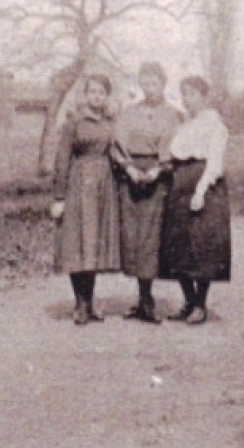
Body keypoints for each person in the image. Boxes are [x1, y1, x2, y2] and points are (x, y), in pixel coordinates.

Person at [109, 62, 181, 324]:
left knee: (151, 237)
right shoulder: (129, 113)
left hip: (157, 177)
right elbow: (116, 144)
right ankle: (141, 297)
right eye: (145, 83)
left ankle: (149, 301)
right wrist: (128, 168)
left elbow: (176, 147)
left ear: (163, 83)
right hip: (131, 177)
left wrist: (159, 169)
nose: (149, 89)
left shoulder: (173, 114)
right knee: (133, 236)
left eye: (154, 83)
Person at [158, 75, 231, 324]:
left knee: (202, 247)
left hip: (203, 185)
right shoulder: (186, 124)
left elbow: (215, 162)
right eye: (184, 94)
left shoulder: (214, 124)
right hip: (180, 183)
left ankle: (200, 304)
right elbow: (175, 154)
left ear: (204, 96)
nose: (187, 100)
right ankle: (188, 301)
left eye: (192, 94)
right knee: (179, 246)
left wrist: (200, 191)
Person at [51, 75, 123, 324]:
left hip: (104, 186)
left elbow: (118, 153)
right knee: (77, 243)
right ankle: (80, 304)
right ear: (85, 95)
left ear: (107, 96)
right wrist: (59, 197)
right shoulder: (74, 123)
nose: (96, 97)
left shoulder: (110, 123)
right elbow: (61, 161)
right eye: (92, 92)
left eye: (101, 93)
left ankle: (89, 304)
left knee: (92, 245)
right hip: (79, 186)